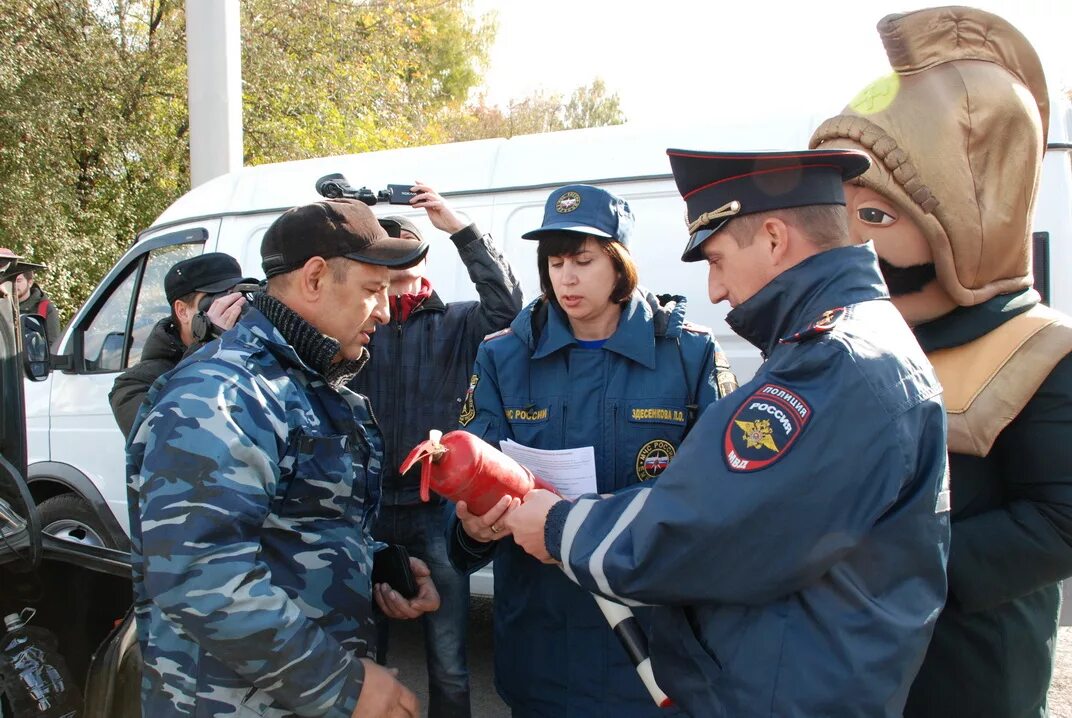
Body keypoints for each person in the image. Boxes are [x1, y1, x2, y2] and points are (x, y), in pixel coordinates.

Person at [504, 151, 951, 718]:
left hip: (786, 690)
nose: (714, 290)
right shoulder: (858, 340)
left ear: (773, 238)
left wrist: (557, 524)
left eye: (716, 259)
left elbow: (708, 525)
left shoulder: (831, 363)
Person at [810, 7, 1072, 717]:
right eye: (843, 216)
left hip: (969, 672)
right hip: (856, 668)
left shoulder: (1038, 351)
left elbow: (1059, 522)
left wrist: (887, 560)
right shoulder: (852, 336)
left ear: (965, 213)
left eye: (877, 218)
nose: (855, 247)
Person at [127, 198, 440, 718]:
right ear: (315, 278)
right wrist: (343, 686)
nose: (385, 312)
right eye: (372, 291)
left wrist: (377, 565)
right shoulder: (222, 393)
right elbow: (201, 574)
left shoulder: (302, 381)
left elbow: (293, 521)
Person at [447, 184, 736, 717]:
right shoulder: (506, 356)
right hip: (541, 644)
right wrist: (471, 525)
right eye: (555, 262)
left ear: (621, 264)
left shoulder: (689, 353)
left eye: (583, 260)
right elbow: (475, 474)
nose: (567, 278)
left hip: (651, 648)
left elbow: (723, 496)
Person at [348, 183, 522, 718]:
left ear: (423, 271)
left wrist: (460, 228)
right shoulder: (357, 326)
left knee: (448, 659)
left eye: (403, 278)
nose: (393, 294)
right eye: (384, 281)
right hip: (366, 510)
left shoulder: (459, 322)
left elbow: (508, 307)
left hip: (436, 512)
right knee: (358, 654)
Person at [109, 251, 252, 437]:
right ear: (182, 311)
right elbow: (163, 436)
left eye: (236, 296)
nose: (231, 307)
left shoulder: (251, 355)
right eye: (216, 300)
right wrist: (208, 346)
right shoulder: (133, 385)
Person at [13, 266, 60, 347]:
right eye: (11, 281)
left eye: (18, 281)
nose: (14, 285)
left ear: (30, 282)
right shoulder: (3, 306)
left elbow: (52, 346)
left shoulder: (44, 308)